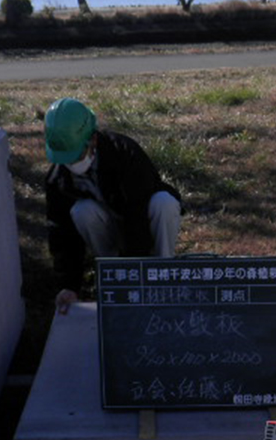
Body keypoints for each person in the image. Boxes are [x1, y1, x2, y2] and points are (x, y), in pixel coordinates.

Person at [42, 97, 182, 314]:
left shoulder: (125, 154)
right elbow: (61, 234)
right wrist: (68, 285)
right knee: (81, 211)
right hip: (109, 228)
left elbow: (137, 216)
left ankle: (162, 272)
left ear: (93, 140)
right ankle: (110, 273)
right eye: (65, 159)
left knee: (164, 203)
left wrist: (138, 275)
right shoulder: (57, 180)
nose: (71, 164)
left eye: (76, 155)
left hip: (142, 223)